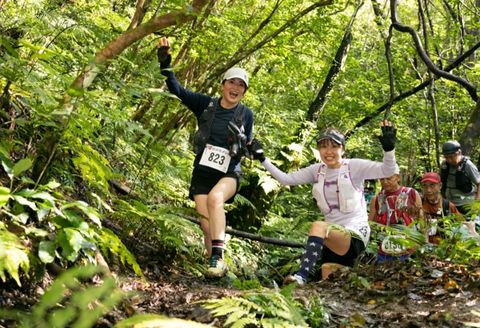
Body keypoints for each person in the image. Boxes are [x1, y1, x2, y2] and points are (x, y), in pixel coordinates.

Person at [248, 122, 398, 285]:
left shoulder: (354, 166)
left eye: (334, 146)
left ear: (343, 149)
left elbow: (388, 170)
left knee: (318, 226)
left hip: (355, 234)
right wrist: (262, 158)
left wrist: (389, 150)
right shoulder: (317, 170)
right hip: (331, 239)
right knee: (330, 285)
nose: (328, 152)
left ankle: (301, 276)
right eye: (323, 146)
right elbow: (286, 179)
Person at [157, 37, 254, 278]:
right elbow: (177, 90)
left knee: (215, 199)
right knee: (205, 222)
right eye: (232, 82)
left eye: (241, 86)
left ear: (244, 91)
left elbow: (247, 147)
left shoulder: (246, 114)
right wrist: (165, 64)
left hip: (229, 172)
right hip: (202, 172)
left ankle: (217, 257)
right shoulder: (205, 104)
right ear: (223, 85)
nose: (236, 88)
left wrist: (242, 144)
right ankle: (215, 269)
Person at [368, 168, 423, 262]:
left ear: (398, 178)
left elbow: (421, 219)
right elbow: (370, 223)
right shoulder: (377, 199)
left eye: (389, 178)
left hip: (409, 247)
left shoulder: (411, 193)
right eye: (382, 179)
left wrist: (419, 242)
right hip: (384, 249)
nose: (384, 182)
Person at [421, 172, 476, 244]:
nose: (428, 190)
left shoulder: (447, 206)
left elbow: (462, 225)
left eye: (432, 185)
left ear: (440, 186)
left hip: (444, 248)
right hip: (422, 247)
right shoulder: (419, 204)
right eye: (425, 186)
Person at [440, 140, 480, 216]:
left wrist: (477, 204)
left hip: (466, 204)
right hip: (449, 203)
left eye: (451, 157)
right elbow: (440, 183)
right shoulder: (444, 165)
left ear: (459, 153)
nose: (449, 160)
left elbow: (479, 183)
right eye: (446, 157)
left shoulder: (468, 165)